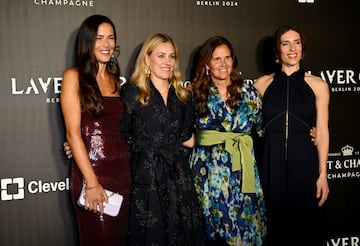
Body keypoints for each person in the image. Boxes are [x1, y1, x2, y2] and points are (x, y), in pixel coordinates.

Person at [120, 33, 207, 245]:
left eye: (171, 56)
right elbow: (119, 131)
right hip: (147, 176)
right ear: (147, 59)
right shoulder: (132, 92)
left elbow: (187, 137)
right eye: (161, 56)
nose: (167, 62)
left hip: (179, 175)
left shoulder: (183, 96)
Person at [254, 25, 330, 246]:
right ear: (277, 51)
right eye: (285, 43)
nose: (292, 48)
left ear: (302, 49)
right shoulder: (261, 85)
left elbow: (323, 130)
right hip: (270, 167)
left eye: (296, 42)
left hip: (305, 166)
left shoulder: (318, 85)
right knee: (274, 232)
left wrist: (323, 173)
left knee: (306, 231)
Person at [60, 15, 131, 246]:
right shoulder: (73, 77)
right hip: (91, 174)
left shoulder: (116, 82)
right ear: (87, 42)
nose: (106, 44)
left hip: (122, 173)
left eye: (111, 38)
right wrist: (91, 183)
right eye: (99, 38)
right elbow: (73, 134)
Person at [189, 35, 267, 245]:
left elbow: (262, 130)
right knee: (211, 230)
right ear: (207, 63)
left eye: (227, 58)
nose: (223, 64)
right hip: (208, 172)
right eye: (216, 59)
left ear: (233, 61)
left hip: (243, 171)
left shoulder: (250, 93)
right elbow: (179, 132)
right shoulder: (195, 94)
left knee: (244, 229)